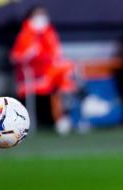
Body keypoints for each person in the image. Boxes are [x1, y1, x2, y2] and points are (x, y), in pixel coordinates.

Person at [10, 6, 77, 135]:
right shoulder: (25, 35)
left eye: (43, 14)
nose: (41, 18)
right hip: (33, 75)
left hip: (50, 73)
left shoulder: (49, 33)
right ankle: (62, 117)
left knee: (69, 70)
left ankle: (65, 116)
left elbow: (56, 54)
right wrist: (27, 55)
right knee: (64, 74)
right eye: (38, 15)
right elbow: (14, 57)